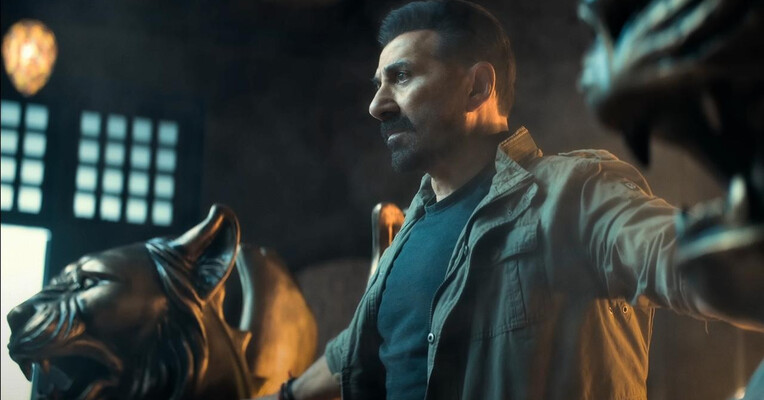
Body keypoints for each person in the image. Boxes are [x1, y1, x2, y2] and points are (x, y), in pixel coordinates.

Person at [254, 1, 754, 399]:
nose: (376, 105)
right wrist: (284, 396)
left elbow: (674, 259)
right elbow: (355, 350)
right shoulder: (407, 234)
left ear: (477, 87)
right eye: (379, 83)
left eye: (401, 77)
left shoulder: (572, 193)